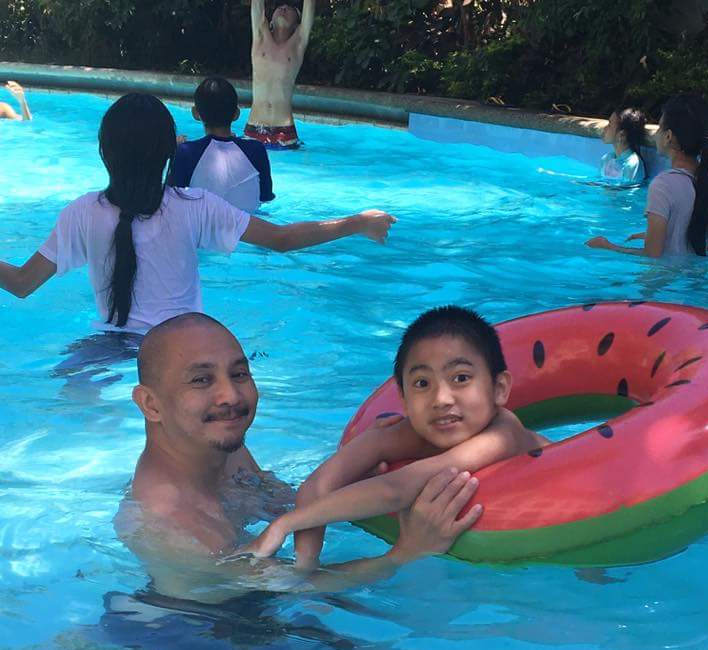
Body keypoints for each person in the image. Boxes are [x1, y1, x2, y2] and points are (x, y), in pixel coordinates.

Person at [115, 311, 483, 601]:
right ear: (151, 404)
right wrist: (406, 553)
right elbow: (296, 584)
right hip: (200, 634)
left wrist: (357, 469)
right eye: (201, 380)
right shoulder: (168, 526)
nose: (231, 396)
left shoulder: (220, 444)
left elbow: (279, 502)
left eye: (239, 373)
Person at [0, 92, 395, 334]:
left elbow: (20, 283)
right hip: (184, 349)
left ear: (104, 151)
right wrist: (357, 222)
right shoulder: (194, 206)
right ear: (170, 150)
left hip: (107, 347)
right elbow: (282, 239)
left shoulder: (81, 213)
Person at [242, 305, 547, 567]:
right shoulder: (403, 432)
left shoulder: (502, 435)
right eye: (422, 383)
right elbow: (318, 485)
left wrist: (286, 523)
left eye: (461, 378)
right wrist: (304, 566)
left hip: (557, 508)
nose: (441, 399)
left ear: (499, 389)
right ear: (403, 398)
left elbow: (396, 489)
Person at [587, 94, 708, 257]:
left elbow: (652, 257)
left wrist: (608, 246)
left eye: (659, 127)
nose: (655, 133)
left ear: (668, 136)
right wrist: (660, 235)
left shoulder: (663, 185)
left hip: (666, 274)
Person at [170, 76, 274, 214]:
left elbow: (171, 200)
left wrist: (173, 151)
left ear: (195, 113)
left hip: (202, 225)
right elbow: (265, 197)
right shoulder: (257, 149)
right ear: (236, 114)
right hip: (250, 225)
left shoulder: (185, 152)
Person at [245, 0, 315, 149]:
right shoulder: (260, 36)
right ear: (270, 21)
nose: (284, 8)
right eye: (280, 7)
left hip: (284, 132)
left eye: (290, 8)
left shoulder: (297, 45)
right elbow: (257, 4)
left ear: (296, 25)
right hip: (254, 129)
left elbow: (309, 7)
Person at [598, 107, 647, 186]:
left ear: (622, 135)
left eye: (609, 125)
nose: (605, 128)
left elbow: (626, 192)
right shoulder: (606, 158)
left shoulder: (632, 164)